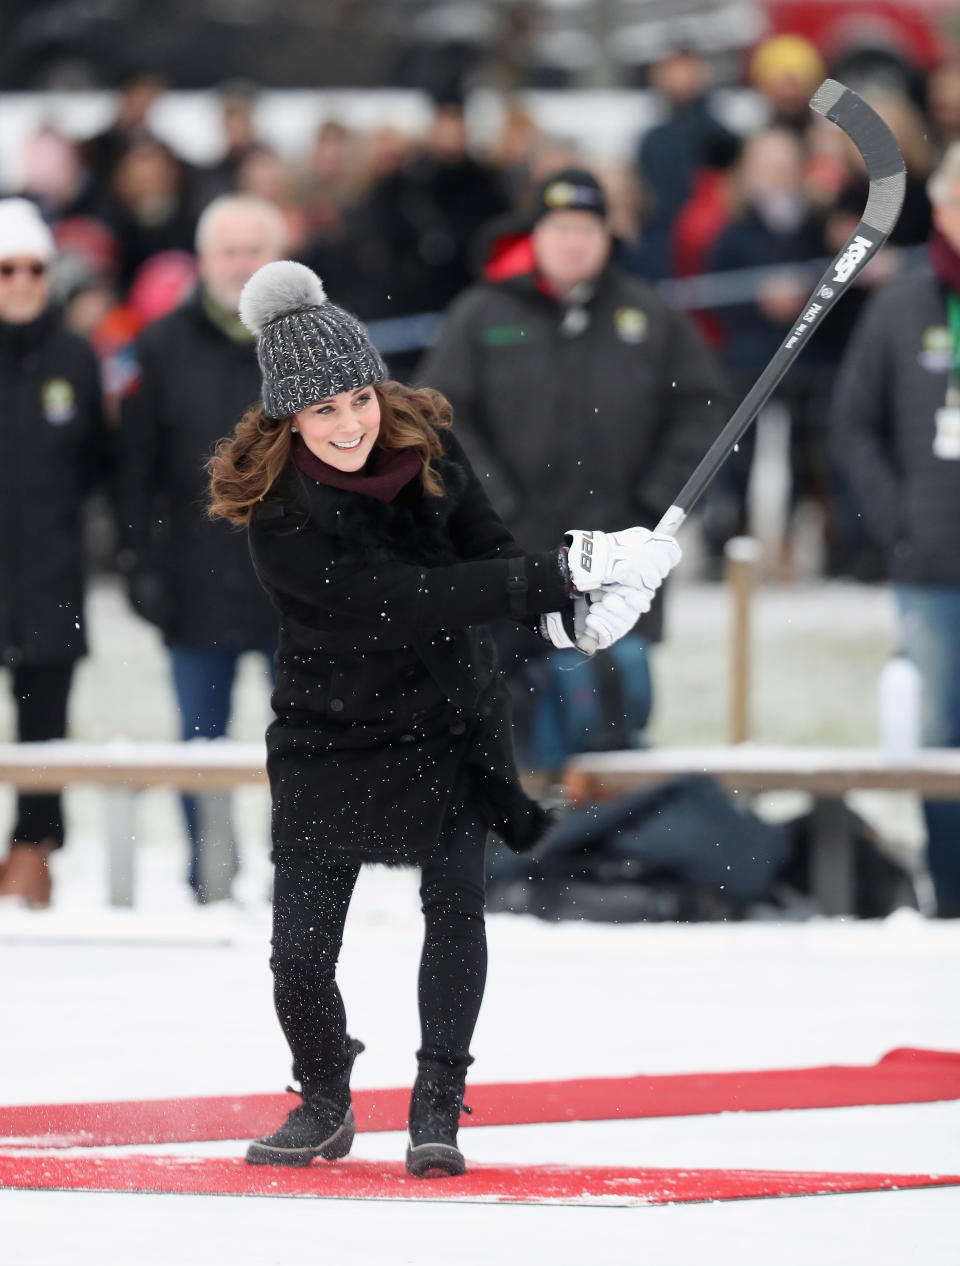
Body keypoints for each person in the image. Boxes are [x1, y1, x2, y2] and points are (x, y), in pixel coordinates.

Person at [206, 259, 682, 1176]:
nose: (349, 424)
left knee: (454, 909)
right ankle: (324, 1093)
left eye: (358, 398)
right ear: (287, 420)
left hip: (449, 715)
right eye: (322, 411)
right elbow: (405, 599)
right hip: (329, 732)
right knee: (300, 955)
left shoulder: (429, 450)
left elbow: (487, 560)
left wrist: (568, 618)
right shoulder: (281, 518)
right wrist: (564, 569)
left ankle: (437, 1103)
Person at [418, 167, 724, 775]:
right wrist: (494, 507)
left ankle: (611, 858)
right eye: (559, 227)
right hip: (510, 564)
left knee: (618, 715)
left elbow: (703, 411)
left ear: (609, 237)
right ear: (534, 235)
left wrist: (652, 506)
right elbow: (438, 418)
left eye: (587, 228)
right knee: (516, 725)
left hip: (621, 558)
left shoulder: (650, 316)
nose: (573, 241)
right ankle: (527, 861)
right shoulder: (480, 315)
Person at [115, 195, 286, 902]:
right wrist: (139, 563)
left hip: (296, 589)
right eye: (228, 250)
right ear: (204, 259)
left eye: (255, 248)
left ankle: (299, 881)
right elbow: (135, 471)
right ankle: (210, 877)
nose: (242, 263)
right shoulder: (162, 345)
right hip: (195, 583)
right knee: (199, 741)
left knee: (306, 747)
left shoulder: (317, 342)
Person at [832, 142, 960, 919]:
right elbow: (853, 424)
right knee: (942, 735)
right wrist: (897, 519)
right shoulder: (902, 304)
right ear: (943, 210)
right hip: (931, 565)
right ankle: (951, 897)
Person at [0, 199, 106, 907]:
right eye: (6, 269)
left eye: (34, 268)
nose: (21, 281)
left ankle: (34, 849)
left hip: (47, 563)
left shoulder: (73, 355)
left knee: (46, 718)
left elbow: (101, 459)